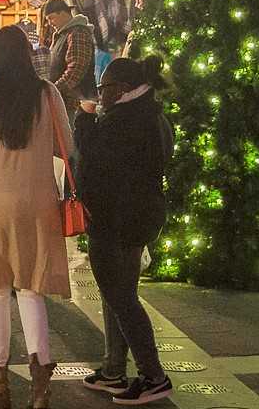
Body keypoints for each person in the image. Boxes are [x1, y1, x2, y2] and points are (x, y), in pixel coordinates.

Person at [0, 24, 71, 409]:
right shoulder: (47, 92)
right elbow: (67, 144)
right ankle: (41, 384)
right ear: (28, 56)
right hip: (38, 199)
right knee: (31, 288)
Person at [73, 57, 175, 406]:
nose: (100, 94)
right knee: (119, 295)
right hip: (137, 218)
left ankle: (153, 376)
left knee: (121, 298)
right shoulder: (152, 116)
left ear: (122, 90)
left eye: (104, 88)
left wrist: (84, 120)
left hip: (115, 221)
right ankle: (114, 369)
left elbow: (91, 161)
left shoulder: (123, 121)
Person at [43, 2, 97, 107]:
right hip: (65, 100)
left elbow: (76, 69)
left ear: (63, 13)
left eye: (51, 18)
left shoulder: (78, 33)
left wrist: (54, 90)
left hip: (77, 102)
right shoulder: (63, 34)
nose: (49, 23)